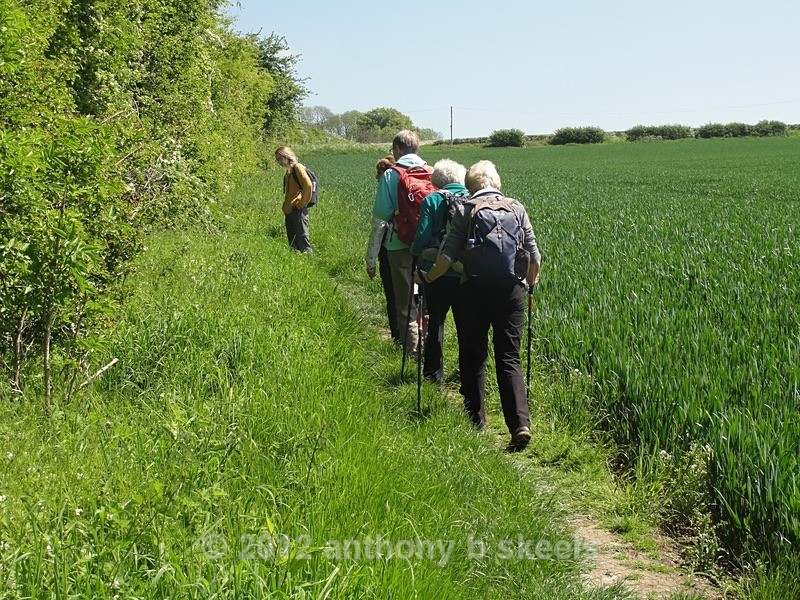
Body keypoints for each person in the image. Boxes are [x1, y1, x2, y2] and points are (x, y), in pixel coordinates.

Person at [420, 160, 541, 449]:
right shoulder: (517, 208)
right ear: (497, 184)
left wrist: (430, 277)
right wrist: (530, 286)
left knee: (473, 353)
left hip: (473, 290)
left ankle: (475, 419)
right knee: (509, 358)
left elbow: (448, 255)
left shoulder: (465, 209)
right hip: (512, 292)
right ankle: (520, 424)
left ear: (470, 186)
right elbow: (535, 257)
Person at [410, 159, 469, 383]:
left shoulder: (432, 200)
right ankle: (467, 375)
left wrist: (416, 252)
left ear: (436, 180)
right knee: (467, 326)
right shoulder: (473, 199)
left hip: (436, 272)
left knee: (436, 322)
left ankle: (433, 375)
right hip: (466, 273)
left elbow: (422, 235)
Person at [370, 130, 428, 356]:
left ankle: (412, 352)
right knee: (426, 297)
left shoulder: (391, 175)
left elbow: (381, 215)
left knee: (404, 299)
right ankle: (430, 347)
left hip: (398, 244)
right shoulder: (432, 172)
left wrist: (371, 256)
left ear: (397, 149)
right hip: (427, 246)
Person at [366, 156, 400, 343]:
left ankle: (397, 337)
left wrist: (370, 261)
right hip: (414, 248)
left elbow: (378, 228)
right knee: (416, 292)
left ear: (384, 172)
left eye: (377, 173)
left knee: (393, 294)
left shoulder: (386, 189)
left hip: (390, 250)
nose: (376, 177)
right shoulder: (406, 187)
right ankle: (419, 336)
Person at [275, 146, 313, 255]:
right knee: (293, 244)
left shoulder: (298, 168)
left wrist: (301, 204)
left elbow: (308, 185)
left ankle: (308, 266)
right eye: (277, 160)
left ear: (287, 156)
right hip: (290, 210)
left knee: (303, 242)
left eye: (280, 159)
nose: (279, 162)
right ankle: (297, 264)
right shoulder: (289, 171)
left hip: (298, 210)